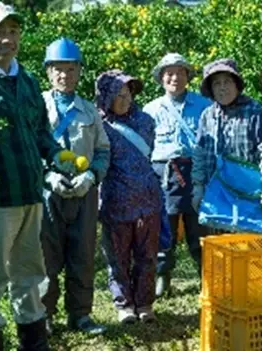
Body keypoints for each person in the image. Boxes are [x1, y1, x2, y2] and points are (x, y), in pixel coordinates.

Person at [0, 3, 75, 350]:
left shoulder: (28, 80)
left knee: (30, 274)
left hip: (30, 197)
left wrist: (55, 155)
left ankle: (32, 343)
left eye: (13, 31)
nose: (7, 38)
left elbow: (39, 132)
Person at [40, 38, 110, 336]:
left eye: (71, 70)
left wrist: (92, 176)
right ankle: (44, 315)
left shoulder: (89, 111)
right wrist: (47, 176)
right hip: (48, 191)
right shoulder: (37, 106)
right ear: (48, 72)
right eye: (58, 70)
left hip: (85, 193)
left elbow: (104, 150)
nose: (64, 76)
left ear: (79, 72)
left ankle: (80, 314)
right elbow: (30, 147)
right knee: (46, 256)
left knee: (82, 254)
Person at [95, 70, 162, 324]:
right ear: (106, 98)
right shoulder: (98, 124)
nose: (125, 100)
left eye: (128, 94)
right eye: (118, 95)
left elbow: (150, 152)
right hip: (115, 202)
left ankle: (144, 303)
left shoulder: (145, 121)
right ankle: (124, 305)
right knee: (118, 257)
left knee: (147, 254)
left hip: (148, 200)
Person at [143, 53, 212, 297]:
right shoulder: (150, 109)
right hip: (164, 173)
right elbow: (144, 146)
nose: (175, 78)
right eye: (169, 73)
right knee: (166, 229)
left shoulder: (204, 106)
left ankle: (207, 277)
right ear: (162, 78)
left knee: (199, 228)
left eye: (180, 73)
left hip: (195, 171)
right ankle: (163, 276)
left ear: (187, 77)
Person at [191, 58, 262, 226]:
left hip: (250, 193)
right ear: (210, 89)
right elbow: (200, 155)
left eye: (227, 82)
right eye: (217, 83)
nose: (222, 87)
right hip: (217, 195)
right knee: (221, 247)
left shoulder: (254, 111)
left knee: (253, 245)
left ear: (237, 84)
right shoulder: (207, 116)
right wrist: (198, 187)